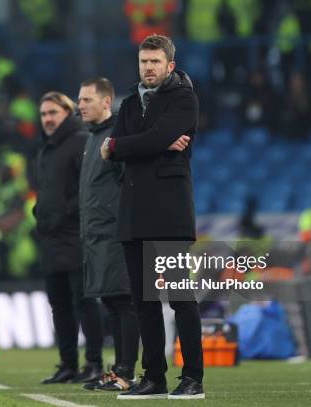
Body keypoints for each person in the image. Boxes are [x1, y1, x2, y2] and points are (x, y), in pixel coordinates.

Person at [100, 34, 205, 399]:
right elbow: (126, 146)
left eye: (155, 62)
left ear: (170, 66)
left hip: (169, 215)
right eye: (144, 61)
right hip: (134, 213)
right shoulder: (130, 103)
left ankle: (193, 378)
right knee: (144, 303)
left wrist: (124, 146)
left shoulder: (184, 98)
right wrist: (147, 145)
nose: (148, 68)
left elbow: (129, 143)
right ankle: (154, 378)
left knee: (179, 298)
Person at [34, 91, 103, 384]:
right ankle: (68, 364)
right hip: (52, 239)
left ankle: (95, 364)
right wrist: (41, 211)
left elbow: (89, 188)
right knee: (60, 305)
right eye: (43, 114)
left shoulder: (80, 142)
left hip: (76, 236)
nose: (47, 119)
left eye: (53, 113)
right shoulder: (46, 149)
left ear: (68, 113)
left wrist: (63, 212)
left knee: (84, 302)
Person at [77, 78, 139, 392]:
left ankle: (126, 372)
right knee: (112, 302)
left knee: (123, 301)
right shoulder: (93, 138)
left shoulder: (115, 136)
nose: (81, 105)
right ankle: (119, 371)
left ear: (106, 102)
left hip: (114, 233)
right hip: (96, 234)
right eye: (80, 100)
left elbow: (127, 183)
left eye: (87, 99)